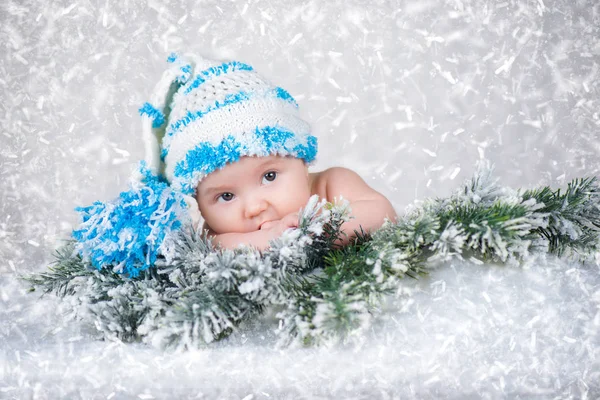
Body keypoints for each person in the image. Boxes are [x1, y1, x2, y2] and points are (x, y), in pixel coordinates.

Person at [139, 52, 396, 251]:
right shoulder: (217, 231)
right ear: (198, 202)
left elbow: (380, 211)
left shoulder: (331, 184)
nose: (254, 207)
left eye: (269, 176)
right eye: (226, 196)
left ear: (301, 159)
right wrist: (266, 240)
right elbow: (213, 249)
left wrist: (315, 230)